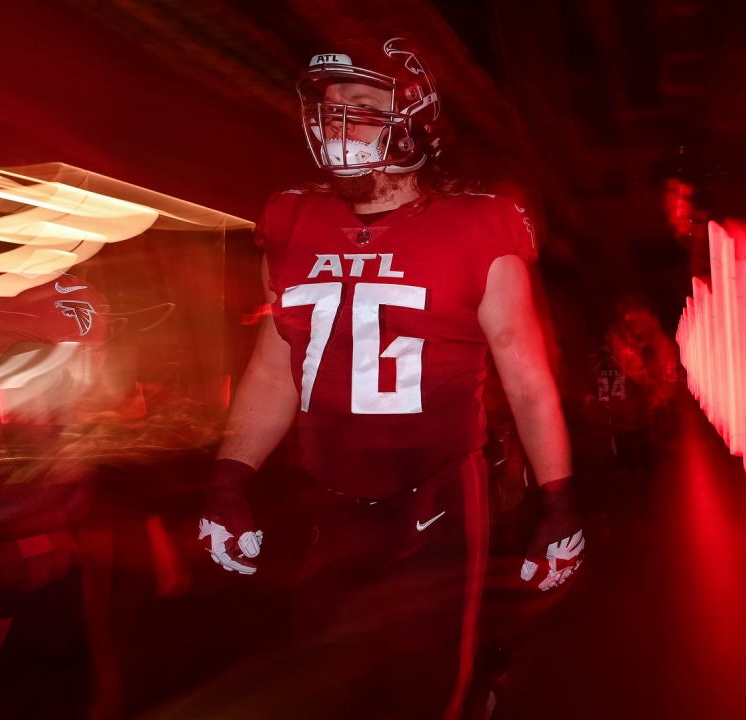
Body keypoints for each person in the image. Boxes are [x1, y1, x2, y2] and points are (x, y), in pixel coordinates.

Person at [196, 32, 584, 719]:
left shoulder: (478, 225)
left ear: (417, 118)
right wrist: (229, 480)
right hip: (328, 502)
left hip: (436, 499)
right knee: (321, 691)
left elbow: (526, 379)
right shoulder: (293, 221)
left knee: (426, 694)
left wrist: (558, 504)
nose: (338, 118)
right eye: (331, 104)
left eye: (362, 103)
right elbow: (274, 368)